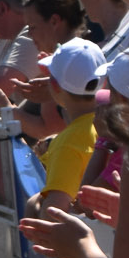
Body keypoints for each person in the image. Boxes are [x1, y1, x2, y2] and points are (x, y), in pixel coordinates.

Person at [30, 41, 106, 215]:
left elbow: (54, 214)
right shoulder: (111, 124)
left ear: (54, 86)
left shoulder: (67, 142)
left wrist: (33, 206)